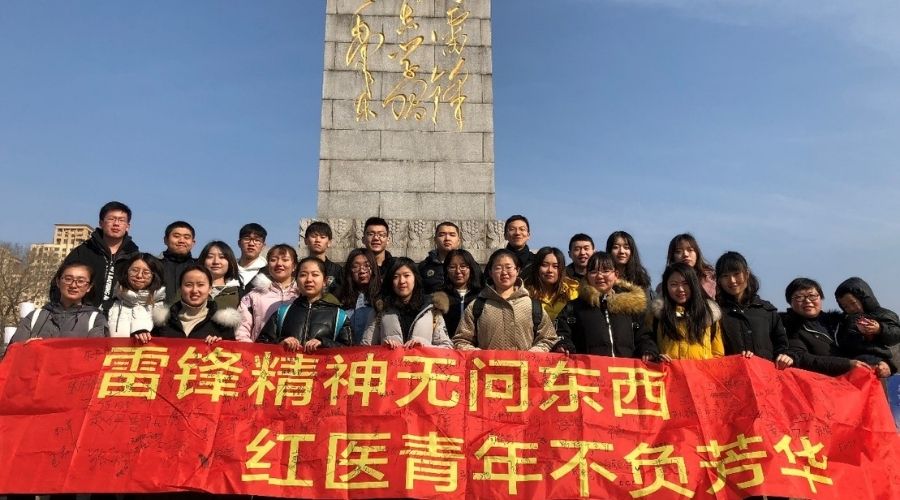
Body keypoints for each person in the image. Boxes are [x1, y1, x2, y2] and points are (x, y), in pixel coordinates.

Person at [453, 248, 557, 351]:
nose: (504, 273)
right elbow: (461, 340)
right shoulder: (477, 306)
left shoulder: (533, 306)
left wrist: (532, 355)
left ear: (517, 270)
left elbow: (548, 338)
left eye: (509, 267)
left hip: (524, 366)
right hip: (487, 367)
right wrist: (481, 356)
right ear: (490, 272)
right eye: (498, 268)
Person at [554, 252, 650, 357]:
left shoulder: (631, 307)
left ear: (616, 275)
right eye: (593, 272)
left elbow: (644, 337)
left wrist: (648, 350)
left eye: (606, 271)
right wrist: (564, 345)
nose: (599, 276)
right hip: (589, 371)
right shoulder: (573, 308)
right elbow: (561, 334)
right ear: (587, 276)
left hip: (624, 371)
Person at [51, 201, 140, 310]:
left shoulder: (134, 257)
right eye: (111, 219)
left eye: (121, 220)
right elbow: (59, 283)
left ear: (128, 226)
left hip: (120, 319)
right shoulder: (83, 251)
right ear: (101, 223)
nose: (116, 224)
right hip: (82, 316)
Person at [715, 251, 793, 369]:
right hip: (732, 380)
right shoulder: (716, 313)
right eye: (725, 276)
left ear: (747, 274)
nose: (732, 280)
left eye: (736, 274)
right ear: (719, 280)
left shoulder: (766, 310)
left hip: (767, 380)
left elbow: (781, 345)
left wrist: (784, 356)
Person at [256, 257, 351, 351]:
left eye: (315, 274)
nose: (309, 279)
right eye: (303, 275)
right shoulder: (283, 313)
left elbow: (351, 351)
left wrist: (324, 343)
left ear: (325, 281)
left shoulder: (339, 316)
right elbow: (261, 344)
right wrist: (281, 342)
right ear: (296, 280)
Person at [135, 264, 239, 343]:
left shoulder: (222, 324)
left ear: (210, 289)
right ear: (181, 288)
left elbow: (234, 358)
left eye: (200, 285)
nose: (194, 290)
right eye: (188, 285)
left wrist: (221, 345)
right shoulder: (164, 321)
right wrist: (141, 336)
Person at [782, 277, 865, 376]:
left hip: (857, 380)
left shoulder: (841, 322)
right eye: (799, 297)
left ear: (820, 298)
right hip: (821, 385)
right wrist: (847, 364)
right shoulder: (788, 327)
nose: (807, 301)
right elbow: (802, 358)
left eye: (812, 296)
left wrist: (887, 363)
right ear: (790, 302)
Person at [362, 258, 453, 348]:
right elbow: (365, 348)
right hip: (391, 362)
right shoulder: (380, 310)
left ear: (415, 278)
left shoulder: (432, 309)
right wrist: (383, 348)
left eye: (406, 275)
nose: (402, 281)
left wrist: (424, 347)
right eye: (395, 277)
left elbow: (447, 347)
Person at [12, 261, 108, 343]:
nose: (73, 285)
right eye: (68, 279)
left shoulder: (96, 320)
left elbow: (97, 355)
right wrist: (27, 348)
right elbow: (13, 353)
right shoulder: (36, 316)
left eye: (81, 281)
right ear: (58, 282)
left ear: (89, 287)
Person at [644, 263, 723, 361]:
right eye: (674, 284)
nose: (680, 289)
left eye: (685, 283)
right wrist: (656, 358)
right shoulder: (658, 315)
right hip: (670, 374)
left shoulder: (709, 314)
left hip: (701, 375)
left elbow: (718, 355)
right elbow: (649, 346)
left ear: (694, 284)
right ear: (666, 287)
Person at [833, 277, 900, 377]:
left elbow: (896, 335)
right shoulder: (844, 320)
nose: (851, 308)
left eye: (853, 303)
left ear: (863, 297)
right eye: (845, 306)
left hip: (877, 362)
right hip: (852, 363)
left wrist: (880, 329)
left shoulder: (883, 314)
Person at [235, 244, 300, 343]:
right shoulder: (253, 296)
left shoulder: (302, 295)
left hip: (296, 355)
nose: (279, 263)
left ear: (294, 266)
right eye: (273, 260)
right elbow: (242, 329)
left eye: (285, 260)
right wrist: (250, 352)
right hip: (262, 354)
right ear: (268, 265)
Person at [106, 253, 166, 337]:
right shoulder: (111, 305)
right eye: (134, 270)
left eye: (146, 272)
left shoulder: (162, 309)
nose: (139, 276)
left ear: (154, 275)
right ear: (126, 272)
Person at [336, 248, 382, 345]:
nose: (362, 270)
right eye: (356, 266)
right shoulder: (339, 297)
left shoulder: (383, 295)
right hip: (347, 355)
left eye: (367, 265)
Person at [524, 247, 579, 322]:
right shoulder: (525, 294)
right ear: (537, 267)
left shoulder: (572, 293)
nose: (550, 270)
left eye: (555, 266)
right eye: (545, 265)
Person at [441, 249, 482, 338]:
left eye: (463, 266)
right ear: (446, 270)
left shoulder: (481, 295)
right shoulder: (439, 296)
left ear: (471, 269)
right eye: (452, 267)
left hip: (475, 348)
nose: (458, 271)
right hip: (447, 347)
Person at [664, 233, 716, 299]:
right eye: (678, 251)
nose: (685, 254)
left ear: (697, 253)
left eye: (690, 250)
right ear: (672, 257)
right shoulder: (665, 286)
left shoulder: (712, 279)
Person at [418, 221, 462, 294]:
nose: (447, 238)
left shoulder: (469, 265)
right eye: (442, 235)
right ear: (435, 240)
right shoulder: (424, 266)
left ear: (458, 241)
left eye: (452, 235)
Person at [159, 220, 196, 305]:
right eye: (176, 236)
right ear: (165, 240)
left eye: (186, 237)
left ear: (193, 243)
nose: (181, 240)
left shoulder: (199, 267)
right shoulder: (154, 266)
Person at [606, 230, 652, 295]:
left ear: (632, 251)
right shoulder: (603, 278)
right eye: (616, 247)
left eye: (626, 247)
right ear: (609, 251)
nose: (621, 251)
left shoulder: (640, 279)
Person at [304, 221, 343, 295]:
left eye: (322, 237)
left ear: (329, 242)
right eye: (313, 236)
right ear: (306, 240)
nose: (317, 240)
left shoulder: (337, 270)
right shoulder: (299, 269)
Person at [199, 241, 241, 309]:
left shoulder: (238, 292)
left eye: (222, 257)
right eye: (210, 257)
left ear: (230, 262)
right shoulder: (190, 289)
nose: (216, 262)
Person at [236, 223, 268, 293]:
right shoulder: (229, 271)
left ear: (263, 246)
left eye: (257, 240)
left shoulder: (269, 273)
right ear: (239, 243)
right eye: (247, 239)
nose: (251, 244)